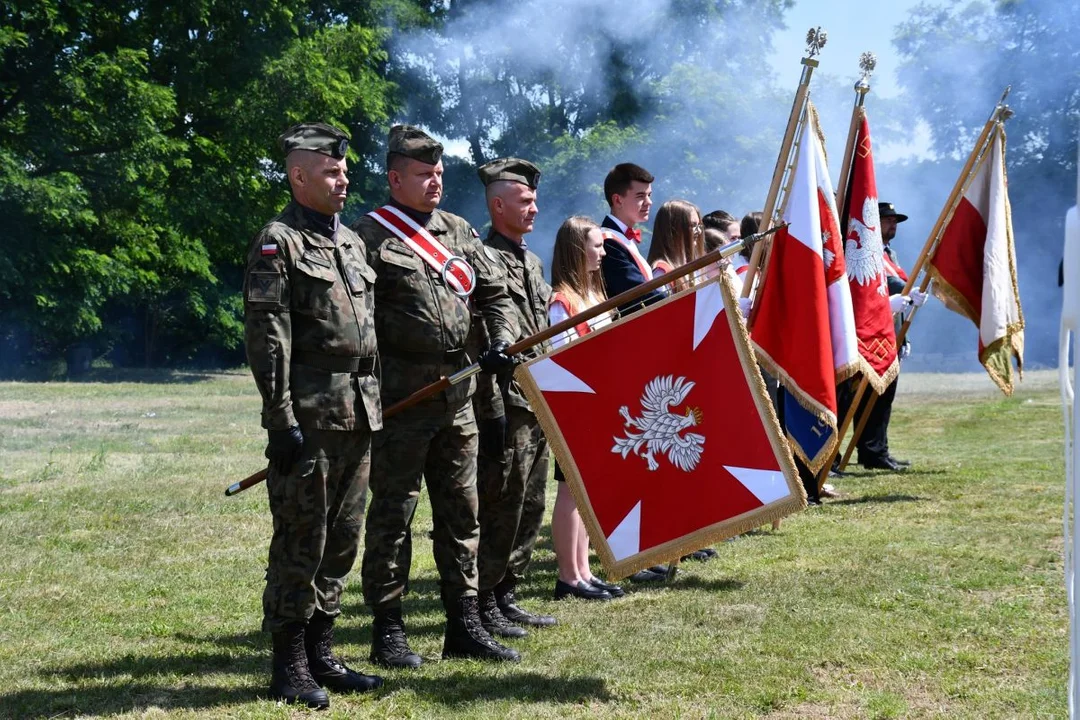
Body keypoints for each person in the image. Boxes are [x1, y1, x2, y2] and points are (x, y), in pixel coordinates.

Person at [351, 125, 521, 667]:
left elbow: (494, 293)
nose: (435, 183)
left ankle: (463, 624)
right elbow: (358, 321)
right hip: (402, 402)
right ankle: (388, 629)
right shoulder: (369, 237)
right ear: (395, 177)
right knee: (393, 518)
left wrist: (498, 340)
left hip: (459, 398)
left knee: (462, 515)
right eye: (424, 175)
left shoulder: (458, 231)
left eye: (439, 174)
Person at [243, 122, 383, 708]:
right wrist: (280, 418)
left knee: (344, 539)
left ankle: (323, 652)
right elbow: (268, 337)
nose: (343, 178)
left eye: (345, 169)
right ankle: (289, 663)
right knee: (302, 538)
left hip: (360, 414)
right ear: (299, 176)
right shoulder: (280, 243)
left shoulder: (349, 242)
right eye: (331, 170)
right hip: (311, 414)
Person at [471, 157, 559, 638]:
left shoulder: (532, 260)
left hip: (536, 399)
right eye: (524, 201)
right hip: (502, 402)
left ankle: (507, 593)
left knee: (531, 503)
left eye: (534, 200)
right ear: (498, 204)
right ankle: (483, 600)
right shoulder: (482, 260)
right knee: (501, 503)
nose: (534, 209)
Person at [547, 216, 624, 600]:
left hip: (601, 403)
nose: (603, 252)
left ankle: (584, 570)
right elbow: (561, 358)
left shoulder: (594, 295)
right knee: (569, 491)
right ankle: (568, 576)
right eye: (596, 245)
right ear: (578, 249)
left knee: (586, 493)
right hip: (576, 407)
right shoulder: (562, 301)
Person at [852, 201, 927, 472]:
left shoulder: (890, 254)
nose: (892, 224)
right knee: (867, 395)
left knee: (885, 396)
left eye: (895, 220)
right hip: (870, 335)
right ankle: (867, 450)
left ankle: (877, 450)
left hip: (890, 332)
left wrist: (903, 336)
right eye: (886, 219)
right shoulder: (866, 254)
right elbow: (877, 289)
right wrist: (906, 293)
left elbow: (897, 288)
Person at [600, 163, 665, 314]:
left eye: (649, 195)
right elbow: (639, 292)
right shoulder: (608, 241)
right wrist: (680, 301)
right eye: (640, 196)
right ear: (617, 200)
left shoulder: (620, 238)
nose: (649, 202)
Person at [647, 200, 705, 294]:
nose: (699, 231)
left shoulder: (691, 268)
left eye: (699, 225)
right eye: (693, 225)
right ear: (674, 229)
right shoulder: (661, 273)